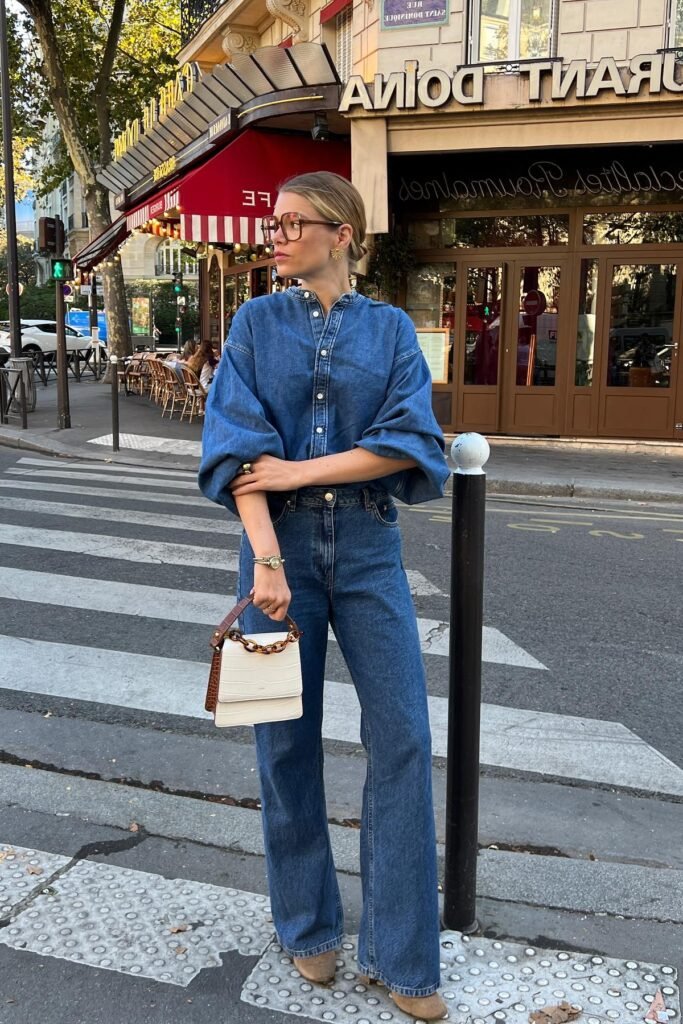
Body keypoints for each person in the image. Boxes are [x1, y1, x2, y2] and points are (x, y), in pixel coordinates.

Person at [199, 172, 449, 1022]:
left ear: (342, 232)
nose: (275, 235)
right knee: (285, 745)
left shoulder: (388, 331)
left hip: (370, 546)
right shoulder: (254, 323)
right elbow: (236, 452)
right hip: (281, 554)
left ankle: (402, 956)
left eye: (293, 222)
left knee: (405, 740)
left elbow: (409, 441)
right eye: (272, 223)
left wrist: (303, 468)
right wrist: (265, 561)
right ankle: (307, 925)